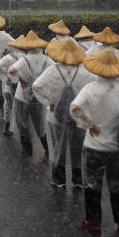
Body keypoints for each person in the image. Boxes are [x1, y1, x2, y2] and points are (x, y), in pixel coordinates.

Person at [70, 49, 119, 232]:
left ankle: (93, 222)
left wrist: (91, 124)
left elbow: (75, 108)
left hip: (94, 146)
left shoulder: (90, 88)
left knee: (92, 183)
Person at [32, 38, 96, 188]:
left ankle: (59, 179)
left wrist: (49, 101)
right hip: (79, 115)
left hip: (57, 115)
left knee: (57, 146)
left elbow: (36, 86)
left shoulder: (53, 69)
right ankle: (78, 180)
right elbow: (95, 89)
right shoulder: (84, 71)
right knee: (78, 147)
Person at [6, 31, 51, 156]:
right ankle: (47, 148)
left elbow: (11, 70)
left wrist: (21, 79)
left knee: (22, 123)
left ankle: (27, 150)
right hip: (39, 96)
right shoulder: (47, 60)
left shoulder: (24, 59)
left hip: (22, 95)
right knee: (40, 123)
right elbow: (54, 74)